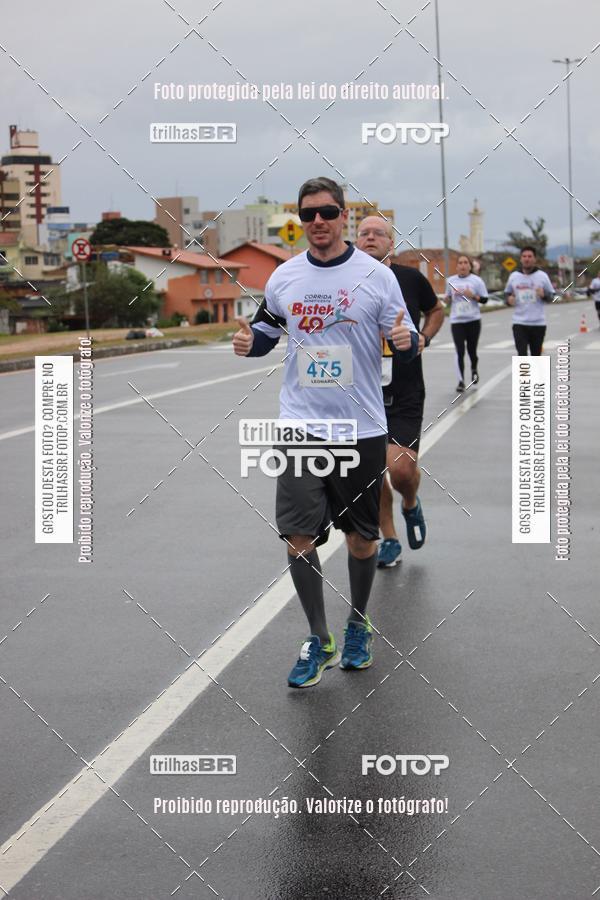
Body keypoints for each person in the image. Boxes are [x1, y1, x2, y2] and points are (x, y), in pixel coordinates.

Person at [233, 177, 418, 688]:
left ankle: (358, 622)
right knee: (297, 537)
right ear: (300, 220)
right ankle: (319, 638)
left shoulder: (376, 277)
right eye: (309, 213)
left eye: (328, 212)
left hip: (359, 428)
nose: (318, 221)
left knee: (361, 538)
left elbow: (407, 335)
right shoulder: (284, 278)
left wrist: (405, 340)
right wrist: (248, 343)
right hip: (300, 426)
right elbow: (265, 335)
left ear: (344, 218)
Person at [355, 217, 445, 568]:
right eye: (364, 233)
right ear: (356, 241)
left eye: (379, 233)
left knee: (401, 470)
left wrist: (424, 336)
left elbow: (436, 310)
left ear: (391, 243)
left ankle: (410, 502)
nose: (371, 237)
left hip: (404, 391)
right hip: (362, 395)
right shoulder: (347, 282)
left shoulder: (409, 278)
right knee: (372, 475)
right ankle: (389, 538)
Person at [445, 254, 489, 392]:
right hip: (457, 321)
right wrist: (447, 299)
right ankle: (460, 381)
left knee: (472, 350)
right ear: (457, 266)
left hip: (473, 320)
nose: (463, 265)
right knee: (459, 350)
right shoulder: (451, 281)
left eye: (465, 263)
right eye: (460, 263)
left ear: (469, 266)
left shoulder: (477, 281)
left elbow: (485, 299)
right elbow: (447, 299)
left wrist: (474, 296)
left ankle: (474, 368)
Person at [505, 247, 554, 355]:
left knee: (536, 356)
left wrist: (544, 295)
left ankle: (536, 372)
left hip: (538, 323)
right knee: (522, 356)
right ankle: (524, 372)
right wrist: (509, 300)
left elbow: (552, 297)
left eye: (530, 256)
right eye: (524, 256)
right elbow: (507, 294)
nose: (527, 259)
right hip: (519, 323)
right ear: (521, 259)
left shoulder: (542, 276)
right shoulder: (514, 276)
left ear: (534, 259)